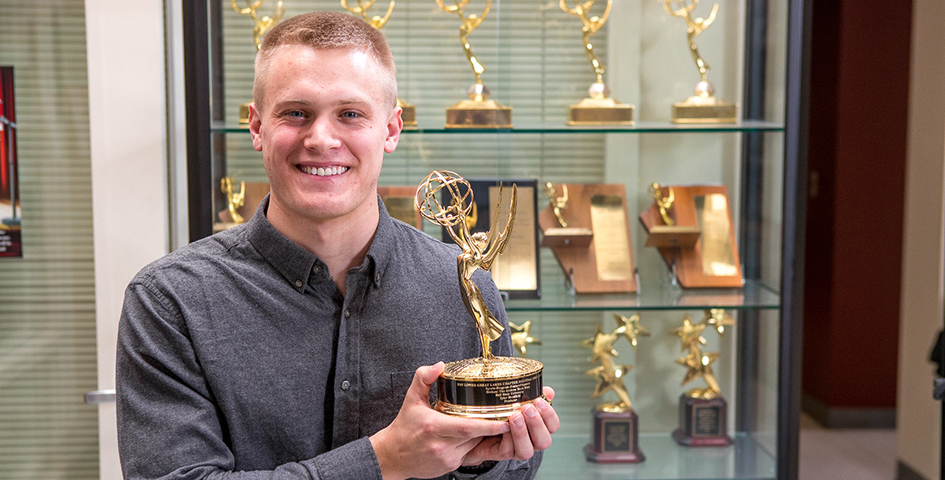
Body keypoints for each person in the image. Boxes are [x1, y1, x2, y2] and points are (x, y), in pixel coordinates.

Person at [115, 10, 558, 480]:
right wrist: (384, 460)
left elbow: (514, 469)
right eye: (295, 113)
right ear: (256, 126)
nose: (321, 139)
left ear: (390, 130)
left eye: (350, 114)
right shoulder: (169, 303)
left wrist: (488, 457)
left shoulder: (463, 285)